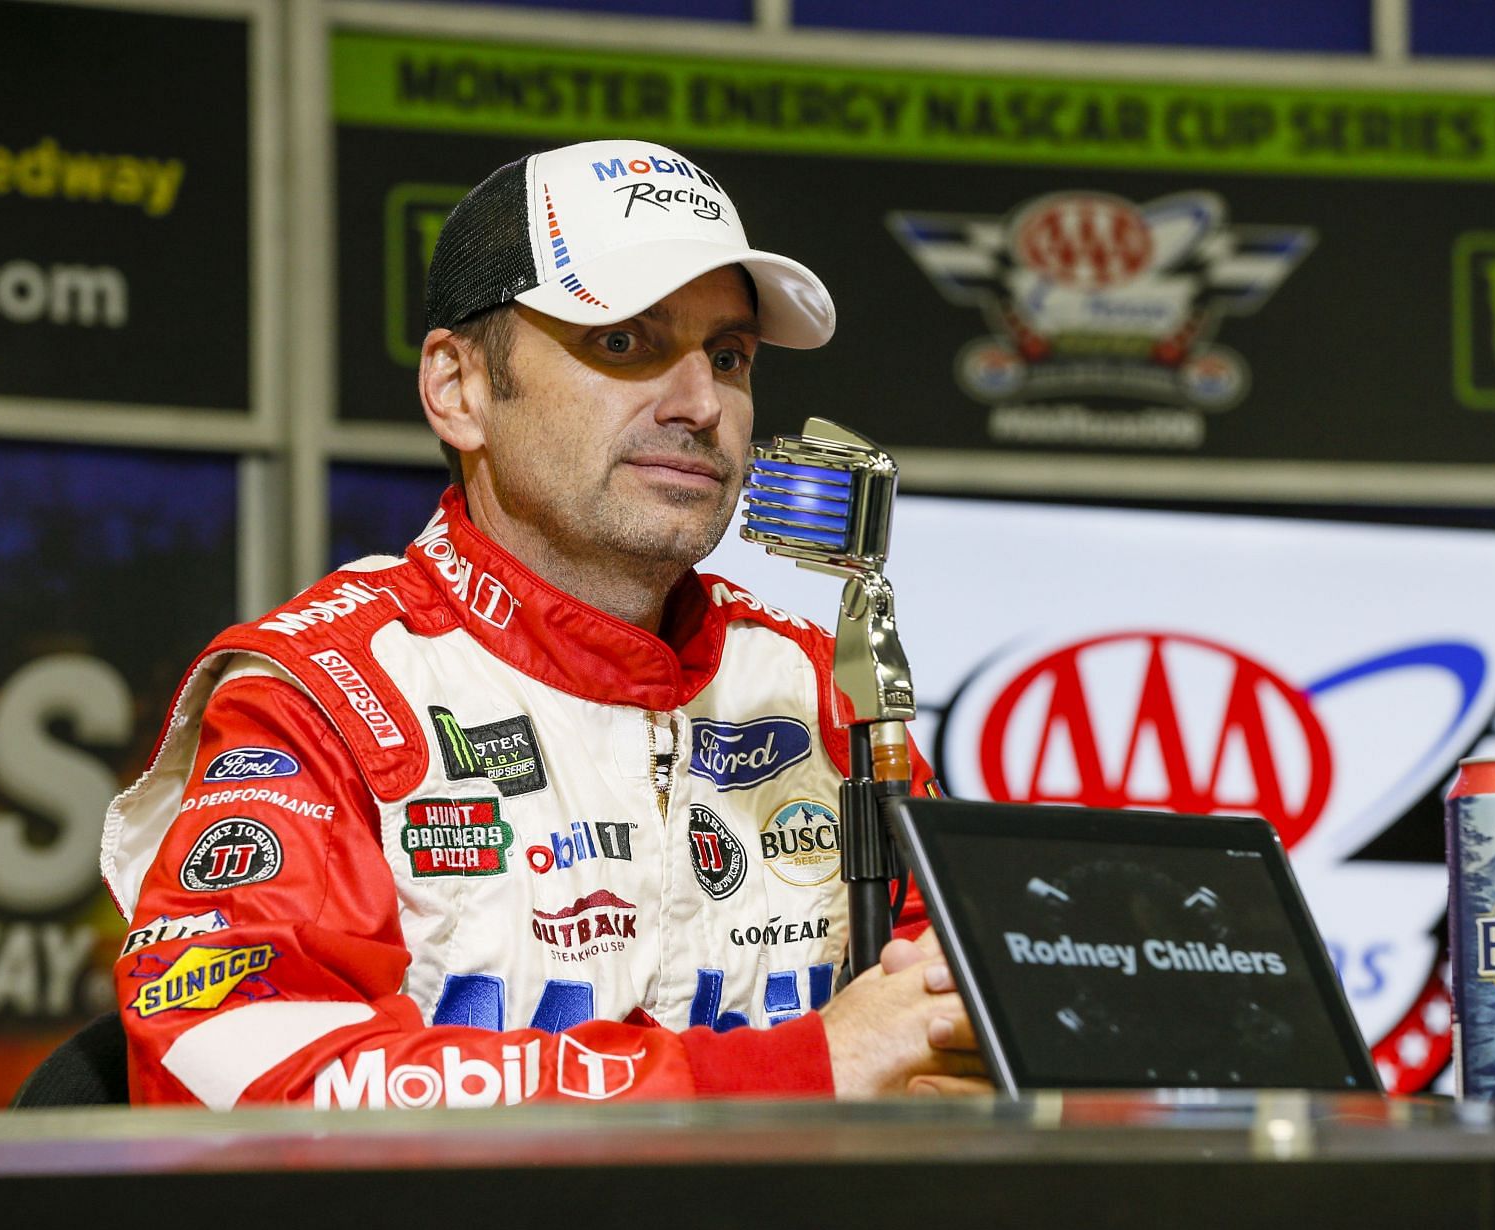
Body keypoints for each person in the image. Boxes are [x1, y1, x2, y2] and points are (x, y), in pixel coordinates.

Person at [100, 139, 987, 1109]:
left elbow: (954, 1016)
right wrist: (800, 1067)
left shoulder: (819, 687)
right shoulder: (325, 694)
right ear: (459, 390)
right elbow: (237, 1073)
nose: (701, 404)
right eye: (623, 342)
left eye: (727, 356)